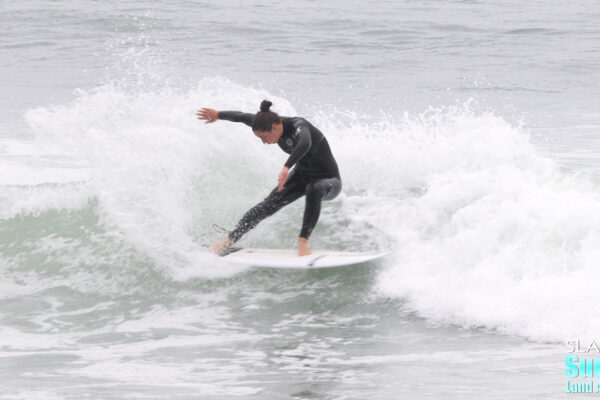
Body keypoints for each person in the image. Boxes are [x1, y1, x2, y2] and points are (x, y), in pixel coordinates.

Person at [197, 100, 342, 256]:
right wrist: (218, 114)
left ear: (274, 127)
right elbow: (240, 116)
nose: (263, 142)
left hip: (329, 181)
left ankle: (303, 242)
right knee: (267, 205)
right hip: (302, 176)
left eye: (264, 137)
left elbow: (305, 143)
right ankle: (227, 241)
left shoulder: (299, 126)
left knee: (314, 188)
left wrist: (286, 167)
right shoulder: (264, 121)